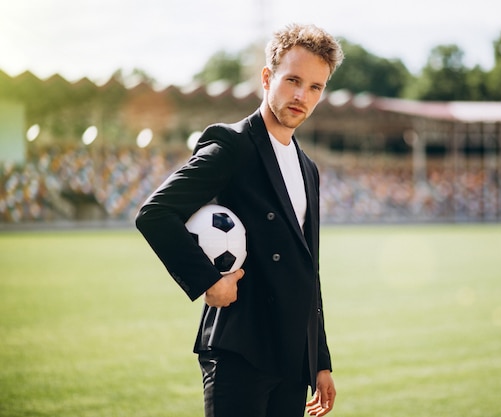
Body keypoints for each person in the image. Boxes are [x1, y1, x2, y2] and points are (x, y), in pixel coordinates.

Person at [135, 23, 344, 417]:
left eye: (315, 87)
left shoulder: (308, 168)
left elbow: (306, 270)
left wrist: (320, 359)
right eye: (293, 80)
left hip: (291, 356)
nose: (302, 95)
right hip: (239, 351)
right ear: (267, 78)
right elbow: (155, 213)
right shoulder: (233, 145)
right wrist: (207, 281)